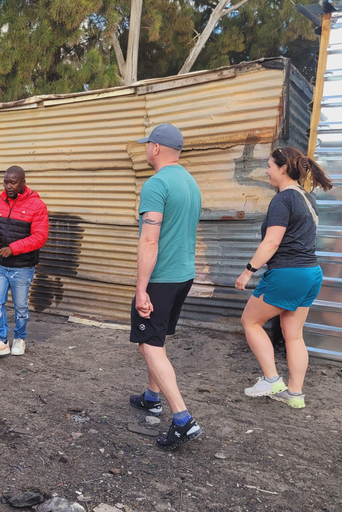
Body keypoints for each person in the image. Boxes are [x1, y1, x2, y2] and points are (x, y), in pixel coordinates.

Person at [235, 147, 333, 409]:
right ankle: (295, 394)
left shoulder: (282, 199)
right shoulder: (307, 198)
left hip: (288, 273)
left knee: (250, 321)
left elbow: (272, 242)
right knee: (294, 334)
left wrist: (248, 270)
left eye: (268, 165)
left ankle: (271, 379)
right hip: (311, 273)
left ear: (282, 168)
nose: (266, 171)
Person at [128, 124, 203, 450]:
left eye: (148, 145)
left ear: (156, 148)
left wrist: (141, 288)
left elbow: (149, 239)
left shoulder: (156, 184)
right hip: (183, 274)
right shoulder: (190, 183)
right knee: (154, 338)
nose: (146, 150)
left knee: (149, 344)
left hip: (161, 278)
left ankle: (183, 419)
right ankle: (151, 397)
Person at [0, 166, 48, 357]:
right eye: (5, 182)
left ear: (23, 182)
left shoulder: (37, 206)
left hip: (22, 267)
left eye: (13, 182)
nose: (8, 186)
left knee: (20, 307)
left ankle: (19, 339)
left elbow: (40, 237)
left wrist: (14, 249)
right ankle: (1, 341)